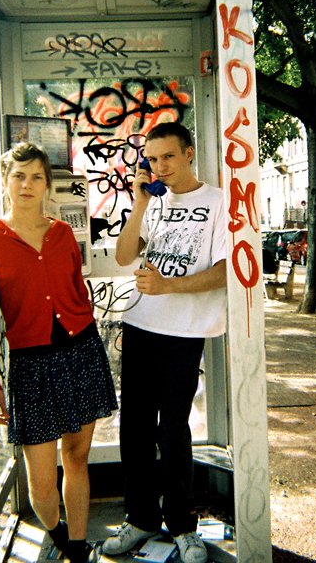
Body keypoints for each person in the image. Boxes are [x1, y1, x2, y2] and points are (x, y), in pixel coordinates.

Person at [0, 142, 117, 563]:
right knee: (41, 483)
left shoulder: (61, 234)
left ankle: (78, 547)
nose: (27, 185)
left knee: (77, 457)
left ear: (46, 184)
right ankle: (58, 532)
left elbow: (77, 290)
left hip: (80, 353)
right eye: (19, 176)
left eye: (36, 177)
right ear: (6, 180)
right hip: (31, 367)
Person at [103, 122, 227, 563]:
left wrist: (169, 286)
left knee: (173, 428)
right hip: (141, 324)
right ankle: (139, 518)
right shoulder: (152, 202)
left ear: (189, 152)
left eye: (168, 156)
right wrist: (139, 202)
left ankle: (181, 524)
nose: (160, 167)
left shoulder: (218, 202)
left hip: (184, 332)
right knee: (135, 427)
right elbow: (123, 256)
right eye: (153, 159)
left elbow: (226, 270)